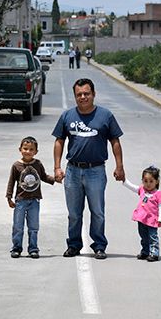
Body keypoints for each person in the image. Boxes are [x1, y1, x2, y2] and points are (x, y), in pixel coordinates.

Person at [52, 78, 125, 260]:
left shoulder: (105, 116)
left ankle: (99, 245)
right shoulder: (67, 116)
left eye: (86, 93)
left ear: (93, 94)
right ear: (75, 96)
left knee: (98, 212)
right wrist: (57, 167)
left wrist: (119, 166)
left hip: (96, 171)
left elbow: (115, 141)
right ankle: (74, 245)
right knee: (74, 213)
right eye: (79, 94)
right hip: (73, 172)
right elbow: (59, 141)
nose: (83, 97)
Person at [6, 136, 56, 259]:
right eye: (25, 148)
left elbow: (43, 176)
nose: (28, 151)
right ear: (20, 149)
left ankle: (33, 248)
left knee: (33, 226)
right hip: (20, 201)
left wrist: (55, 179)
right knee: (18, 226)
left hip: (34, 201)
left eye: (31, 149)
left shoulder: (38, 164)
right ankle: (16, 248)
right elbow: (11, 182)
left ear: (36, 152)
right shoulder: (16, 165)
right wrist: (9, 197)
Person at [122, 166, 161, 262]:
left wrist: (160, 218)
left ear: (157, 181)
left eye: (151, 181)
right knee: (143, 236)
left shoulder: (158, 194)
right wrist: (124, 181)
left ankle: (154, 253)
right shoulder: (142, 190)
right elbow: (133, 187)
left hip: (152, 220)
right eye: (145, 181)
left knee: (152, 237)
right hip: (141, 218)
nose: (148, 184)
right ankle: (145, 251)